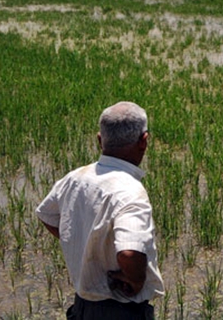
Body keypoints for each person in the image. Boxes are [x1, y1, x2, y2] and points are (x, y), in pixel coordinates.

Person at [36, 101, 164, 319]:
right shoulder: (130, 191)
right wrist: (135, 280)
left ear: (99, 140)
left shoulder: (75, 178)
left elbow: (46, 214)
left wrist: (85, 242)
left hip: (82, 306)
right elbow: (129, 252)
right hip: (121, 311)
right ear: (144, 141)